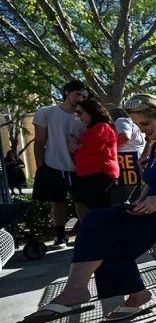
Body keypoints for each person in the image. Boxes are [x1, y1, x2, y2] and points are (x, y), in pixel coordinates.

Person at [16, 94, 156, 323]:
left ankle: (126, 294)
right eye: (138, 125)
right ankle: (81, 289)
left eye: (145, 124)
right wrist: (140, 201)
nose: (142, 130)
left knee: (108, 235)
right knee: (95, 220)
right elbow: (152, 183)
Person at [32, 80, 90, 247]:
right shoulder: (46, 112)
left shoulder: (85, 117)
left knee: (82, 202)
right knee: (57, 201)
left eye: (84, 97)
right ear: (66, 92)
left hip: (80, 166)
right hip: (53, 164)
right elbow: (39, 141)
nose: (80, 99)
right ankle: (60, 235)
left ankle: (86, 233)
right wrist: (41, 166)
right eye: (77, 94)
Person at [69, 100, 120, 210]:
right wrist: (75, 147)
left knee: (99, 207)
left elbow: (94, 147)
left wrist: (78, 146)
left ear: (90, 111)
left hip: (99, 172)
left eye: (80, 113)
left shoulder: (102, 126)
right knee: (94, 206)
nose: (79, 117)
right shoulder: (92, 129)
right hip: (90, 173)